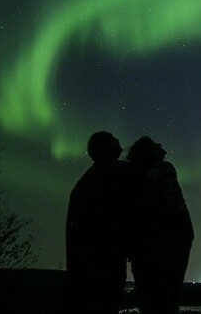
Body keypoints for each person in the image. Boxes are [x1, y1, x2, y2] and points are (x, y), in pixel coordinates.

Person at [65, 131, 132, 314]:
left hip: (85, 267)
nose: (119, 140)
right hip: (108, 261)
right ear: (108, 147)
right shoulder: (117, 172)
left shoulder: (81, 186)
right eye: (113, 139)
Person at [127, 136, 194, 314]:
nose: (161, 145)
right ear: (149, 151)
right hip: (171, 242)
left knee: (148, 300)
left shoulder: (130, 176)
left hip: (142, 246)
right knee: (167, 298)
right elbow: (172, 204)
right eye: (155, 144)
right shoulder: (163, 169)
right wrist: (186, 232)